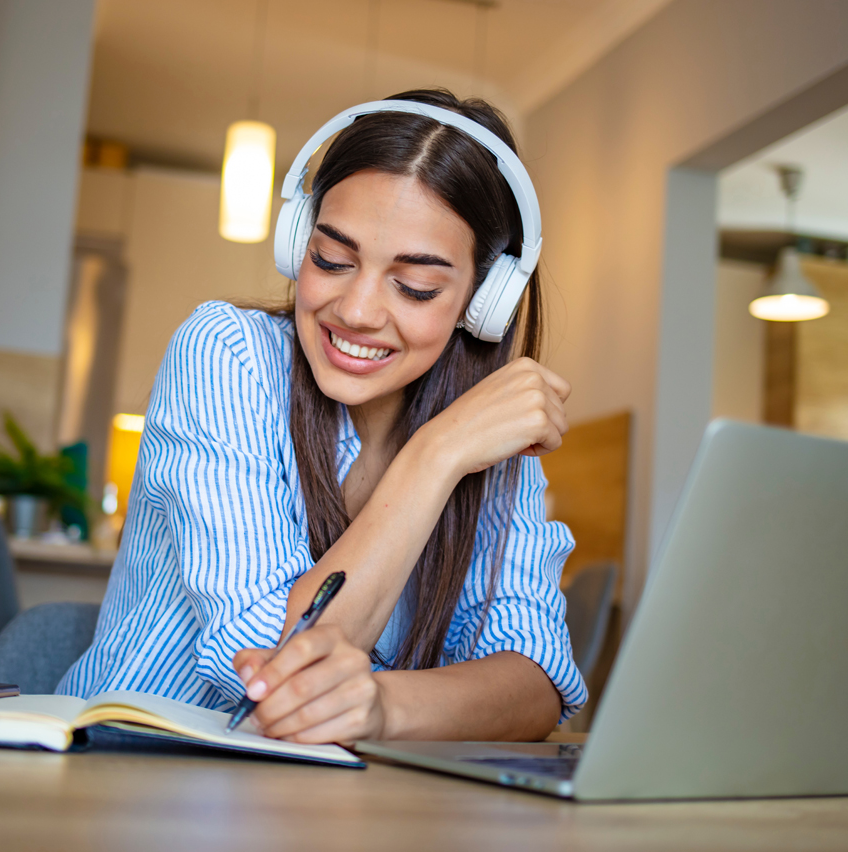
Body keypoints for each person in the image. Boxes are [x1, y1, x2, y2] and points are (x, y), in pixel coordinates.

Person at [59, 88, 587, 744]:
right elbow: (277, 667)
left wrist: (382, 707)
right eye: (331, 260)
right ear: (296, 243)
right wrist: (433, 457)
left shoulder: (489, 437)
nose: (358, 309)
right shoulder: (227, 354)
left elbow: (536, 680)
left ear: (484, 301)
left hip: (332, 807)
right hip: (128, 779)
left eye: (415, 286)